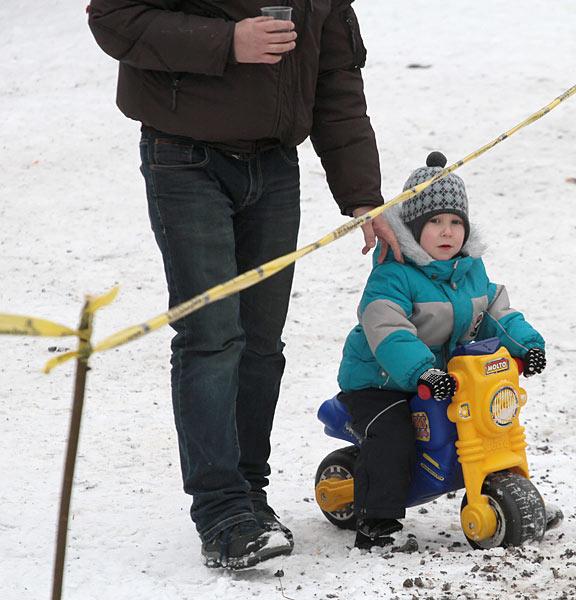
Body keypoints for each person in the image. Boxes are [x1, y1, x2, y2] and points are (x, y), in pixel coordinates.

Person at [87, 0, 400, 569]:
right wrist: (226, 42)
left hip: (274, 166)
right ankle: (222, 512)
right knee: (212, 337)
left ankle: (249, 495)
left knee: (260, 343)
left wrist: (362, 194)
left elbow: (334, 77)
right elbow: (113, 18)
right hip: (183, 157)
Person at [336, 152, 547, 550]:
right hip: (381, 382)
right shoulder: (393, 273)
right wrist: (421, 372)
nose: (447, 231)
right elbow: (390, 332)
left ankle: (510, 491)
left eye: (455, 222)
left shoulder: (470, 271)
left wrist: (526, 346)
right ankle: (376, 517)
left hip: (443, 380)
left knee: (492, 423)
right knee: (394, 435)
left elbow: (497, 316)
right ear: (413, 230)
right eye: (434, 222)